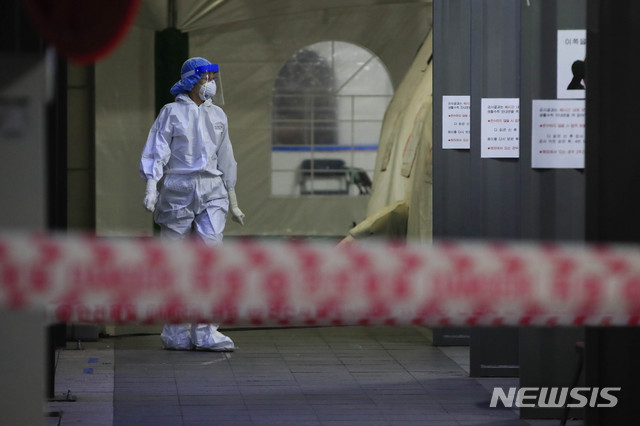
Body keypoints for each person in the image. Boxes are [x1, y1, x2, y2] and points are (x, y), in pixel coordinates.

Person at [139, 57, 244, 351]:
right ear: (191, 80)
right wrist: (151, 185)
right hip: (178, 188)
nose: (211, 83)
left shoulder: (219, 116)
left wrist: (232, 198)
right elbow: (156, 150)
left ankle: (206, 330)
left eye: (212, 77)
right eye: (206, 77)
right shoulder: (171, 113)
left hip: (212, 189)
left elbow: (227, 157)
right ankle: (174, 329)